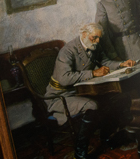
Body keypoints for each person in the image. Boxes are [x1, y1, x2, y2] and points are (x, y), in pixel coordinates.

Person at [45, 23, 134, 159]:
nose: (98, 41)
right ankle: (80, 153)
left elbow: (105, 62)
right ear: (84, 35)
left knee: (115, 97)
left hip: (80, 91)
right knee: (92, 106)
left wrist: (121, 64)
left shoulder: (94, 45)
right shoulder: (68, 50)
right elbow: (64, 79)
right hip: (60, 96)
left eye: (99, 38)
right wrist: (93, 73)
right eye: (95, 38)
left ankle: (106, 137)